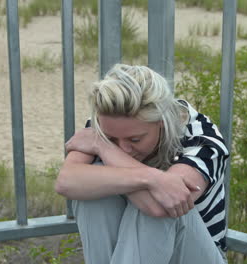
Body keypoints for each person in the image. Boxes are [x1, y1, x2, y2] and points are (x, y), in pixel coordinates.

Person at [55, 64, 229, 264]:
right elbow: (66, 181)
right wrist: (152, 178)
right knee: (94, 195)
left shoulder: (201, 137)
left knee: (162, 204)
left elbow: (164, 205)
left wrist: (104, 148)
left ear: (161, 121)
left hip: (195, 256)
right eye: (111, 139)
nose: (123, 148)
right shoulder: (107, 125)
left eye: (135, 140)